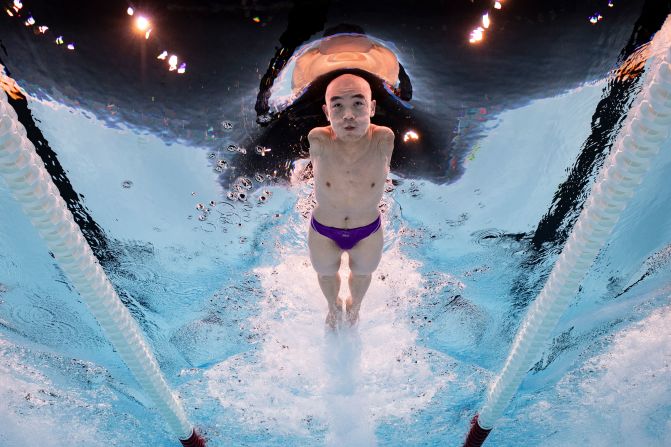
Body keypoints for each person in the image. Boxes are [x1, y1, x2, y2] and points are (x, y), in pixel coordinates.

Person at [307, 73, 394, 329]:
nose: (348, 115)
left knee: (364, 273)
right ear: (326, 112)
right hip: (324, 229)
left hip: (367, 230)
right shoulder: (318, 139)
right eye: (338, 106)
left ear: (372, 107)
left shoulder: (383, 139)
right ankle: (333, 307)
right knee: (325, 273)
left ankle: (354, 309)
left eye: (358, 104)